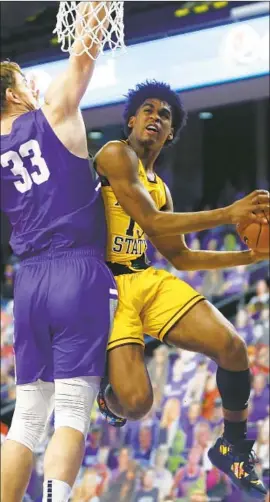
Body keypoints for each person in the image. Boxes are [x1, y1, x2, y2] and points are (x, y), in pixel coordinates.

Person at [94, 79, 269, 499]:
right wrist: (228, 213)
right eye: (148, 110)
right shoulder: (114, 155)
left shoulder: (162, 188)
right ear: (132, 120)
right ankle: (105, 393)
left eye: (165, 115)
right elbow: (151, 222)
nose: (156, 117)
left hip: (145, 278)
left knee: (232, 347)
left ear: (170, 133)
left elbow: (183, 257)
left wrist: (250, 258)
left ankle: (233, 446)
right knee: (135, 405)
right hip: (105, 284)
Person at [0, 3, 118, 502]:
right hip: (78, 269)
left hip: (27, 282)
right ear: (12, 93)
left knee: (27, 416)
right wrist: (95, 9)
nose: (34, 85)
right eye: (26, 81)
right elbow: (84, 55)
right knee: (72, 408)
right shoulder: (54, 112)